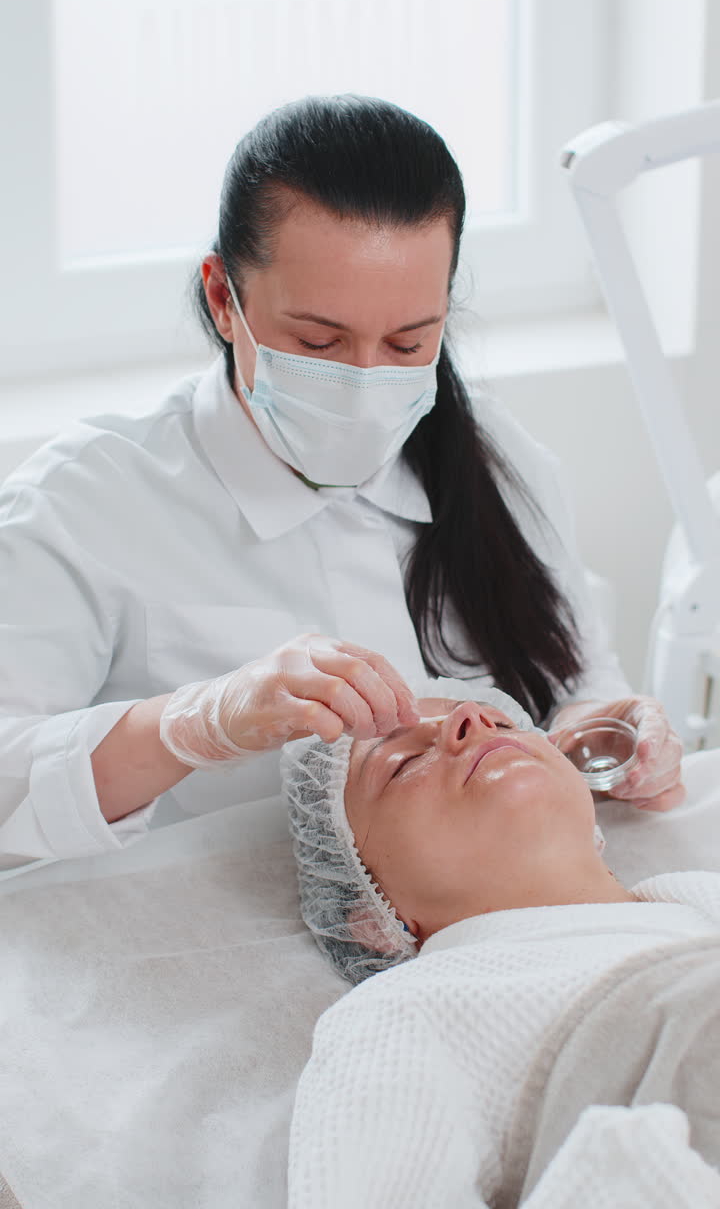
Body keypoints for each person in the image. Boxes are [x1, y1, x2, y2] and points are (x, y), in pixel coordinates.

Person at [0, 95, 682, 877]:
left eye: (408, 343)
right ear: (223, 299)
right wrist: (192, 725)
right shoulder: (85, 500)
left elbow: (578, 681)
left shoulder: (499, 461)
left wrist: (606, 732)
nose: (363, 384)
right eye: (318, 342)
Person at [281, 686, 720, 1208]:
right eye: (402, 763)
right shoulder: (402, 1011)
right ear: (374, 921)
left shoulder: (698, 904)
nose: (472, 716)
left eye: (505, 723)